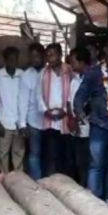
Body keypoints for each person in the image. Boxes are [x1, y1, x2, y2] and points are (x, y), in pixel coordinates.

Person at [75, 34, 108, 206]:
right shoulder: (94, 72)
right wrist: (79, 111)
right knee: (96, 163)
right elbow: (81, 94)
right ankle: (94, 200)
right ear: (105, 50)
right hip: (99, 123)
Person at [34, 43, 74, 178]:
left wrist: (64, 110)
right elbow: (38, 94)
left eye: (53, 54)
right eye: (48, 55)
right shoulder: (43, 73)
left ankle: (65, 183)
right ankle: (51, 183)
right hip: (49, 119)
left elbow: (73, 92)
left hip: (66, 118)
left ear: (60, 55)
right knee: (50, 154)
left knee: (66, 155)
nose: (50, 58)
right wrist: (46, 111)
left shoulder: (69, 71)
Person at [0, 46, 26, 174]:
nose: (13, 62)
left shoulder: (23, 75)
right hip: (3, 122)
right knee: (2, 155)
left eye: (15, 59)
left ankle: (19, 182)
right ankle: (4, 182)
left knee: (19, 154)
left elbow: (25, 100)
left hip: (19, 123)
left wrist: (24, 122)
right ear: (5, 60)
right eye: (10, 59)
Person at [23, 42, 46, 180]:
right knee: (34, 153)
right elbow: (23, 100)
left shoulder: (49, 72)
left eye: (37, 56)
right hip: (33, 120)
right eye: (32, 57)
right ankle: (37, 182)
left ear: (43, 56)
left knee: (49, 153)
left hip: (50, 121)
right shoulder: (26, 75)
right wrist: (22, 123)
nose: (34, 59)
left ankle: (49, 182)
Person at [68, 47, 91, 186]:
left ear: (82, 62)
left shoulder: (92, 79)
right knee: (77, 160)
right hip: (75, 128)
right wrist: (71, 119)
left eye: (74, 62)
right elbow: (69, 101)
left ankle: (86, 188)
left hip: (88, 127)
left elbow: (90, 104)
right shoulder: (75, 80)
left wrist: (77, 119)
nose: (71, 65)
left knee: (86, 161)